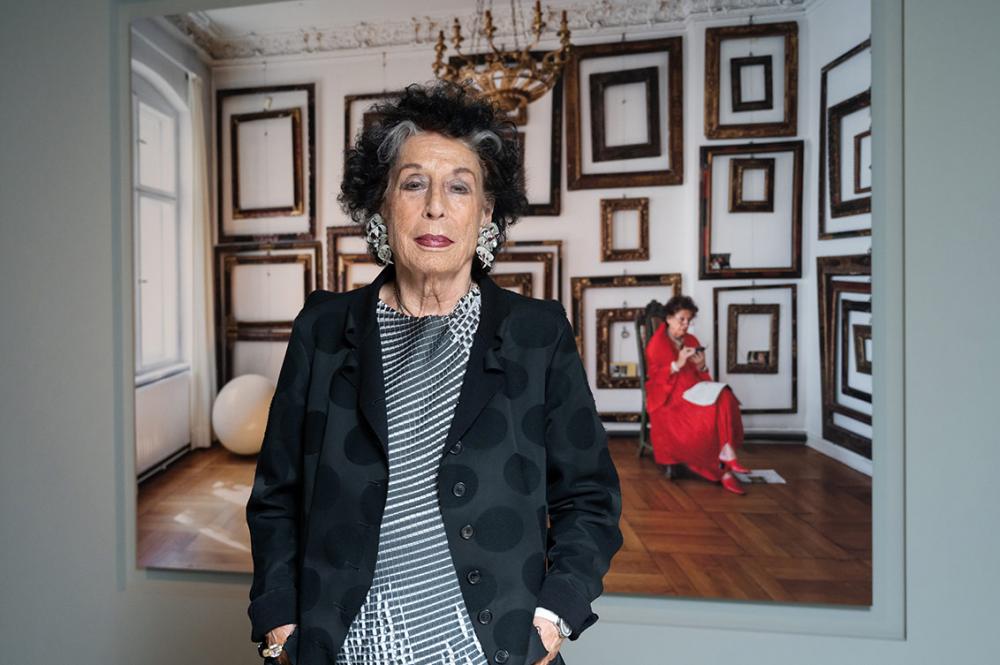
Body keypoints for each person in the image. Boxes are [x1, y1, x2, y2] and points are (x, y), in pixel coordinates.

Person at [246, 82, 622, 665]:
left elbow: (589, 497)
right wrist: (278, 622)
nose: (435, 207)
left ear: (487, 213)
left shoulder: (536, 335)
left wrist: (553, 618)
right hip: (342, 649)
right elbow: (276, 496)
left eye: (459, 187)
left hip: (493, 651)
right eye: (414, 183)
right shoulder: (321, 332)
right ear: (381, 205)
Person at [643, 295, 749, 495]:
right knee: (708, 413)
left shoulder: (691, 340)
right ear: (668, 318)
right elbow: (654, 379)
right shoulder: (657, 343)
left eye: (689, 320)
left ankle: (728, 452)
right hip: (671, 396)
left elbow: (702, 374)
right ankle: (723, 471)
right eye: (681, 319)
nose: (686, 325)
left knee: (725, 396)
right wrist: (677, 364)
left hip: (695, 388)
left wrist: (702, 365)